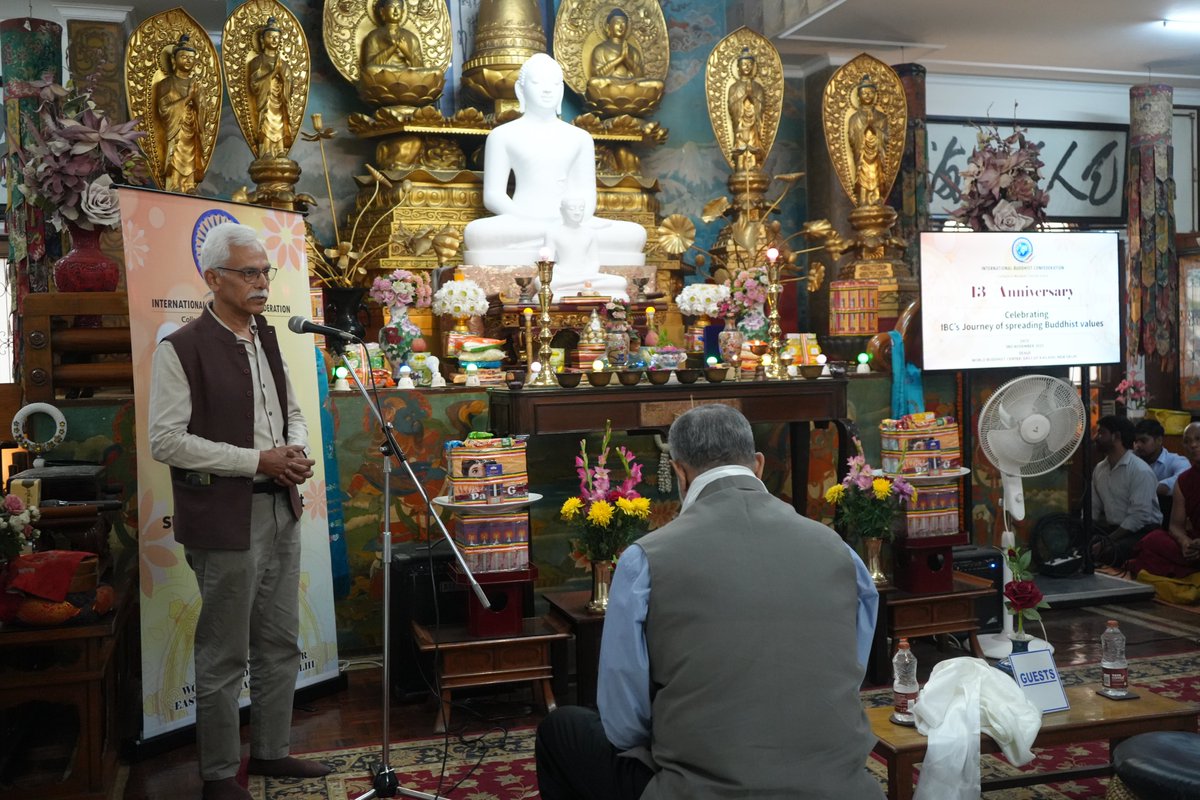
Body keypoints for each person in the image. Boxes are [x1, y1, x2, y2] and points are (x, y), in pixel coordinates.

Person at [535, 404, 882, 799]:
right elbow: (849, 671)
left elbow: (624, 725)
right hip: (841, 789)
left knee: (561, 730)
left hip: (702, 789)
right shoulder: (839, 551)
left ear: (679, 472)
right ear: (759, 464)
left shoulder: (646, 558)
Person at [148, 222, 329, 800]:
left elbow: (292, 407)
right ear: (214, 278)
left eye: (265, 272)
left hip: (281, 509)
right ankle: (219, 775)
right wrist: (259, 460)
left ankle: (272, 753)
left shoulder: (267, 335)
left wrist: (294, 451)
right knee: (223, 652)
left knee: (278, 642)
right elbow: (166, 441)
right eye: (248, 273)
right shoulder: (180, 348)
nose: (261, 283)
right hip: (226, 517)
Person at [462, 53, 647, 268]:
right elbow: (494, 195)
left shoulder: (580, 138)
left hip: (571, 223)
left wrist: (571, 225)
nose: (547, 89)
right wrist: (529, 220)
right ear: (521, 90)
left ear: (561, 90)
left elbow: (586, 195)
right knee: (476, 233)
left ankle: (563, 239)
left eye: (555, 83)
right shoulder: (502, 135)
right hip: (523, 221)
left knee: (634, 235)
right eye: (537, 82)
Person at [1128, 422, 1200, 579]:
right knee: (1151, 541)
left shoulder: (1176, 462)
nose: (1193, 445)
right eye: (1187, 441)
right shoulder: (1184, 480)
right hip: (1193, 545)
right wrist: (1185, 542)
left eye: (1198, 439)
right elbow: (1175, 526)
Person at [1091, 415, 1163, 568]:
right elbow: (1093, 508)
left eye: (1101, 433)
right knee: (1079, 545)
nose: (1095, 437)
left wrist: (1107, 542)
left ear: (1116, 436)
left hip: (1143, 532)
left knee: (1111, 552)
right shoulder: (1099, 469)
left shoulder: (1140, 470)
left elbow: (1139, 517)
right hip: (1115, 530)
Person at [546, 197, 629, 300]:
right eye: (572, 209)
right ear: (562, 210)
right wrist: (565, 273)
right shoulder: (553, 233)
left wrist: (588, 273)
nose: (577, 212)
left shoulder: (590, 233)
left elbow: (594, 260)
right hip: (564, 276)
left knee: (621, 282)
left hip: (587, 276)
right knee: (542, 283)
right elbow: (547, 263)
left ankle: (577, 288)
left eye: (581, 209)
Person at [154, 34, 206, 194]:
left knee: (193, 153)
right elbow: (164, 110)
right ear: (173, 61)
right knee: (176, 154)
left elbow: (202, 111)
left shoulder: (197, 85)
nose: (188, 61)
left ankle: (189, 185)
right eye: (184, 57)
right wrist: (187, 98)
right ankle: (175, 183)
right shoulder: (166, 84)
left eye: (191, 58)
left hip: (192, 128)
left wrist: (197, 102)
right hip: (175, 130)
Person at [247, 17, 294, 158]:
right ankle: (266, 150)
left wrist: (283, 79)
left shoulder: (284, 65)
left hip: (280, 103)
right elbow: (254, 85)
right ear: (262, 40)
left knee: (280, 122)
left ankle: (280, 150)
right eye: (270, 36)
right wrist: (273, 73)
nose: (274, 40)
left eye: (276, 37)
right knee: (266, 122)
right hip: (265, 102)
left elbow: (290, 88)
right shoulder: (257, 62)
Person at [1133, 418, 1190, 520]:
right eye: (1136, 441)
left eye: (1143, 441)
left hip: (1167, 521)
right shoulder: (1133, 460)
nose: (1138, 445)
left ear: (1159, 440)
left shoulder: (1176, 461)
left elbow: (1181, 481)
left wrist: (1145, 488)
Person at [847, 74, 888, 207]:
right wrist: (864, 129)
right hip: (863, 155)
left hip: (876, 155)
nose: (868, 95)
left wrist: (876, 131)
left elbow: (886, 138)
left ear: (875, 95)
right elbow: (852, 138)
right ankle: (863, 198)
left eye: (870, 92)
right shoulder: (854, 118)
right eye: (864, 93)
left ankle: (877, 197)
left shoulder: (881, 117)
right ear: (858, 96)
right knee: (863, 175)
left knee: (877, 174)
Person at [726, 47, 765, 170]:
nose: (747, 67)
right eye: (744, 64)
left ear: (753, 67)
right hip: (740, 125)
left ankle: (753, 166)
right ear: (738, 67)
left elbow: (761, 106)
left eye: (749, 64)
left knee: (753, 144)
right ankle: (740, 167)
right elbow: (732, 107)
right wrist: (744, 97)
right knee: (740, 145)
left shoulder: (758, 87)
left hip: (753, 125)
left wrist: (752, 97)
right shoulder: (734, 87)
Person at [361, 0, 424, 71]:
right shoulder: (374, 36)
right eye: (391, 7)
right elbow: (370, 66)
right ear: (382, 11)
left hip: (406, 76)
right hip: (383, 76)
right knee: (370, 69)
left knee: (434, 71)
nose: (396, 11)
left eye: (399, 7)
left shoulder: (412, 37)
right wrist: (392, 48)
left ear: (403, 12)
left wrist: (406, 51)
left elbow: (421, 68)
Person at [590, 8, 645, 81]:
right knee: (594, 83)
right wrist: (620, 58)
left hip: (629, 85)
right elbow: (597, 75)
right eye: (617, 23)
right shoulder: (600, 49)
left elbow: (640, 76)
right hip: (608, 86)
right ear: (608, 27)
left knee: (658, 84)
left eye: (623, 24)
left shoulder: (633, 51)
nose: (621, 26)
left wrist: (627, 59)